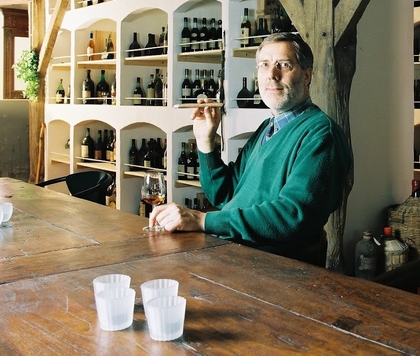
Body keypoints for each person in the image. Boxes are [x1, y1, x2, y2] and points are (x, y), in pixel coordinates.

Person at [149, 32, 352, 264]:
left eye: (284, 65)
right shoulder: (268, 128)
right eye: (264, 65)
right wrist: (206, 141)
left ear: (306, 76)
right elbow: (225, 194)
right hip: (237, 256)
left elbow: (293, 216)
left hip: (277, 268)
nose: (272, 75)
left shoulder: (321, 134)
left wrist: (203, 221)